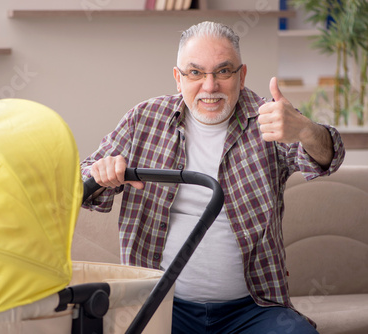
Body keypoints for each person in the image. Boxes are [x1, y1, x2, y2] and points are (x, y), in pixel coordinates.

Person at [80, 21, 344, 333]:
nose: (210, 86)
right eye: (195, 73)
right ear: (178, 78)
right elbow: (85, 184)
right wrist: (101, 174)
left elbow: (326, 159)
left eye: (223, 71)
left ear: (241, 75)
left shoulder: (269, 118)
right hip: (159, 304)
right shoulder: (143, 119)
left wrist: (304, 129)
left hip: (253, 309)